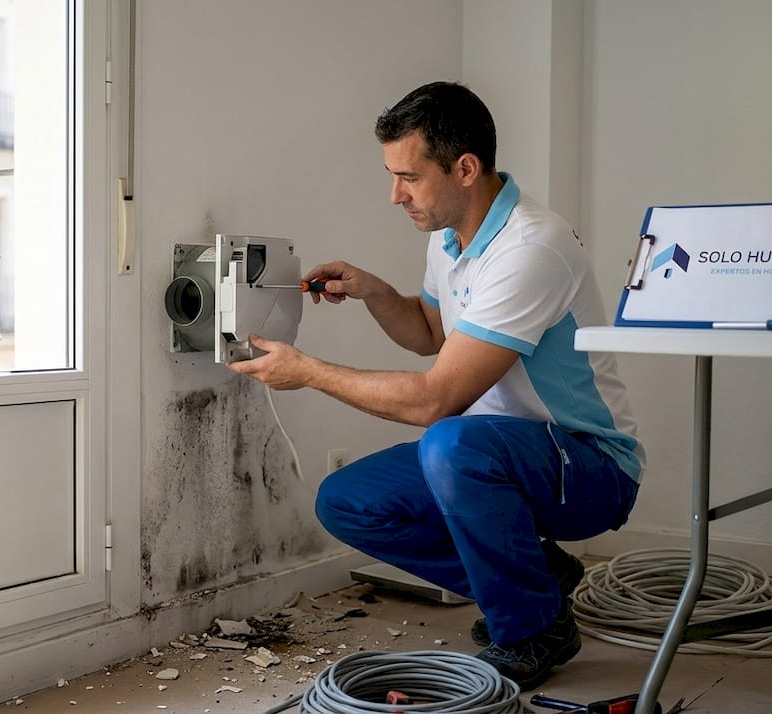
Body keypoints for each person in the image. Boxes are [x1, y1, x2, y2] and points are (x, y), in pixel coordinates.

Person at [226, 81, 645, 690]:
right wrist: (375, 291)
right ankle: (539, 583)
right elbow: (429, 332)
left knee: (449, 440)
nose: (395, 195)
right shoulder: (447, 240)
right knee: (346, 501)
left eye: (409, 177)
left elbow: (434, 399)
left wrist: (308, 372)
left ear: (466, 168)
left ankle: (532, 631)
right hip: (490, 454)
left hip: (588, 465)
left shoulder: (531, 249)